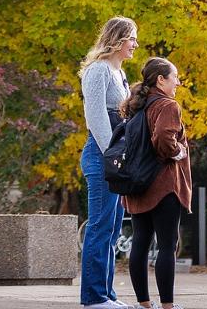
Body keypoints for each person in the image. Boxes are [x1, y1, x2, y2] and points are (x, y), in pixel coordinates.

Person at [120, 58, 194, 309]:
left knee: (140, 242)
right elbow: (163, 137)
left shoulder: (136, 105)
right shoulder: (167, 105)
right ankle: (167, 306)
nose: (178, 82)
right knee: (167, 245)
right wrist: (177, 152)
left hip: (137, 183)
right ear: (161, 80)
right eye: (175, 77)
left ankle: (144, 303)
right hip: (163, 185)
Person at [79, 16, 140, 309]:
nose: (135, 44)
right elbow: (95, 117)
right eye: (132, 38)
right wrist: (112, 156)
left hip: (115, 158)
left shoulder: (119, 73)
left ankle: (106, 293)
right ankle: (93, 297)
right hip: (101, 155)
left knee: (113, 228)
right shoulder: (98, 70)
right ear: (118, 39)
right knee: (100, 226)